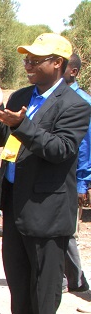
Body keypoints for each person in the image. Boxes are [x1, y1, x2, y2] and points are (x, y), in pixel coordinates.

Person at [0, 33, 91, 314]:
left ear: (57, 64)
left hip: (48, 201)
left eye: (35, 60)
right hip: (15, 196)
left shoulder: (75, 105)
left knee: (45, 270)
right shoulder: (22, 95)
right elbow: (0, 139)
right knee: (16, 265)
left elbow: (61, 149)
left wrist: (23, 125)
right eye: (26, 58)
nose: (27, 64)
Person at [62, 53, 90, 294]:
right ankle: (70, 279)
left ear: (74, 72)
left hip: (73, 177)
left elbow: (86, 147)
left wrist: (82, 182)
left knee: (67, 230)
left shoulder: (82, 102)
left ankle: (76, 280)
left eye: (64, 67)